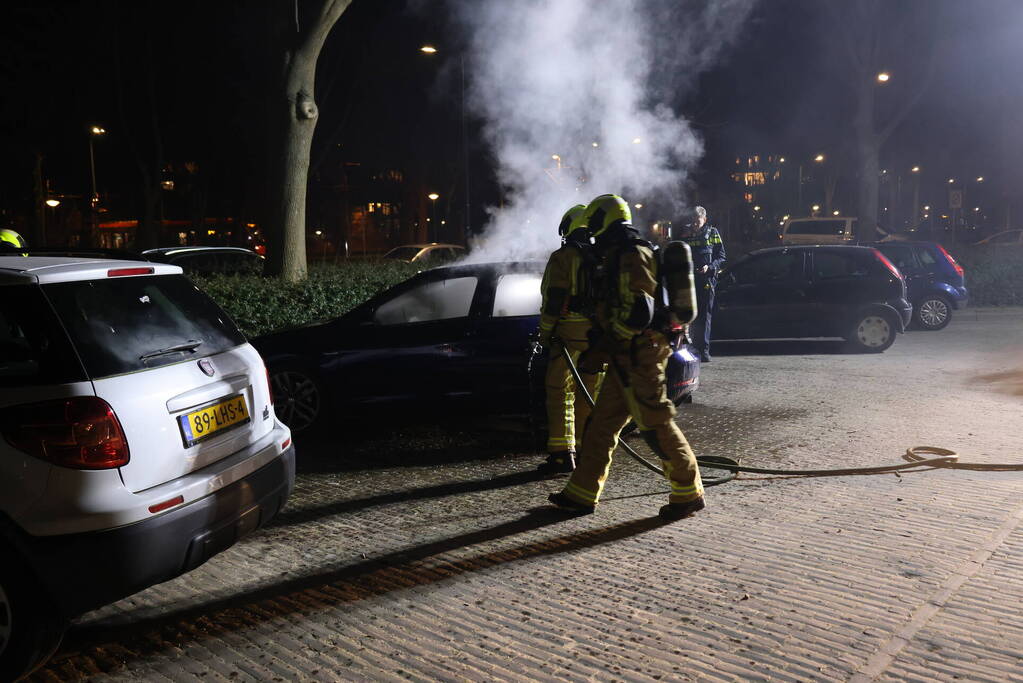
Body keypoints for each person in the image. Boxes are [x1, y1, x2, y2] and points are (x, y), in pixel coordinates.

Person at [548, 194, 705, 521]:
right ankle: (581, 493)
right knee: (602, 425)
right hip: (626, 356)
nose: (592, 233)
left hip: (640, 355)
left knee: (655, 424)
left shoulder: (631, 254)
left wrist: (601, 347)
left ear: (605, 220)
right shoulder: (620, 252)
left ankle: (688, 490)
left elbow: (637, 314)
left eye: (594, 225)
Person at [535, 204, 604, 475]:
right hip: (597, 339)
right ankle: (587, 450)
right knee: (589, 394)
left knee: (559, 392)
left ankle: (562, 455)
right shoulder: (603, 256)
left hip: (568, 336)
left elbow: (553, 301)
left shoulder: (563, 257)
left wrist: (545, 333)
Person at [678, 206, 725, 362]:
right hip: (688, 281)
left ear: (704, 219)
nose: (694, 224)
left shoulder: (712, 233)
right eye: (692, 221)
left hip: (706, 281)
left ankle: (703, 351)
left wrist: (710, 267)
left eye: (697, 221)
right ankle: (688, 348)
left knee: (704, 317)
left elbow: (721, 256)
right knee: (688, 315)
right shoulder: (684, 234)